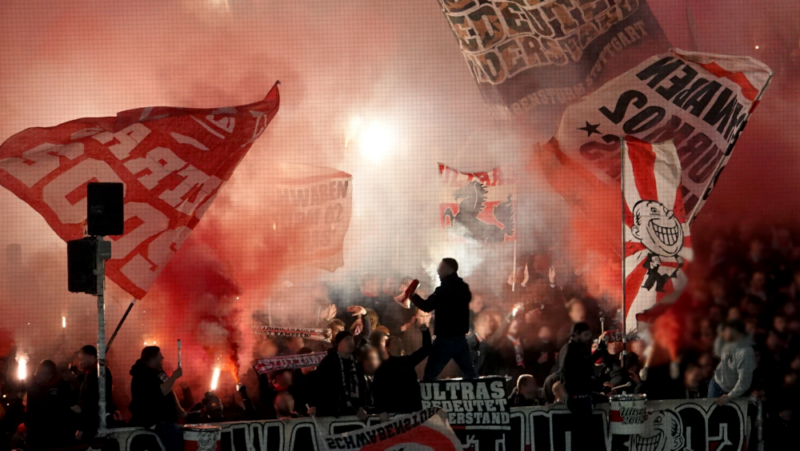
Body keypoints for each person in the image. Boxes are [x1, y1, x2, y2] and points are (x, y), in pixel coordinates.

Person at [409, 258, 479, 381]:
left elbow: (426, 306)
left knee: (430, 376)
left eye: (441, 268)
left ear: (449, 269)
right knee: (471, 374)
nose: (438, 271)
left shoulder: (443, 291)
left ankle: (429, 399)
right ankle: (477, 397)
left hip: (444, 340)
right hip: (460, 339)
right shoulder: (463, 288)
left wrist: (412, 296)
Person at [129, 346, 185, 451]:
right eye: (160, 356)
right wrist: (174, 377)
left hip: (166, 422)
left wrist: (178, 408)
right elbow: (159, 392)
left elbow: (169, 390)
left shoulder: (158, 372)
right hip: (156, 422)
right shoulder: (142, 374)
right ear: (152, 358)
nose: (162, 358)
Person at [374, 323, 431, 415]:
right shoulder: (383, 367)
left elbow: (426, 349)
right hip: (393, 411)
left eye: (400, 342)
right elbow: (378, 390)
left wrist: (425, 331)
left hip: (411, 408)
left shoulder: (408, 361)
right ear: (387, 348)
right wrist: (382, 410)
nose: (399, 344)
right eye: (395, 342)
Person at [310, 331, 368, 418]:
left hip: (353, 411)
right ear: (339, 344)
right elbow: (318, 383)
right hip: (332, 411)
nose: (351, 342)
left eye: (352, 339)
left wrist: (361, 406)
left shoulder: (356, 362)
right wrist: (313, 404)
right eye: (347, 339)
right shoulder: (329, 361)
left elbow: (361, 385)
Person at [24, 360, 76, 450]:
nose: (36, 375)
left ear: (50, 376)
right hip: (36, 435)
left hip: (57, 436)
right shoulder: (33, 387)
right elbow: (30, 410)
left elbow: (69, 409)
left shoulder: (62, 387)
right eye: (36, 372)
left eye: (40, 373)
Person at [708, 319, 756, 405]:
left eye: (726, 329)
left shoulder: (745, 352)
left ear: (734, 331)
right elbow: (718, 352)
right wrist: (719, 337)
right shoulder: (729, 342)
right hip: (716, 383)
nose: (724, 332)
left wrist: (729, 396)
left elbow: (744, 382)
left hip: (732, 392)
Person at [75, 345, 116, 442]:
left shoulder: (97, 373)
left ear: (92, 357)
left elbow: (91, 402)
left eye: (82, 359)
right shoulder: (93, 372)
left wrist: (82, 427)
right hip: (96, 420)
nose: (79, 362)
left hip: (95, 423)